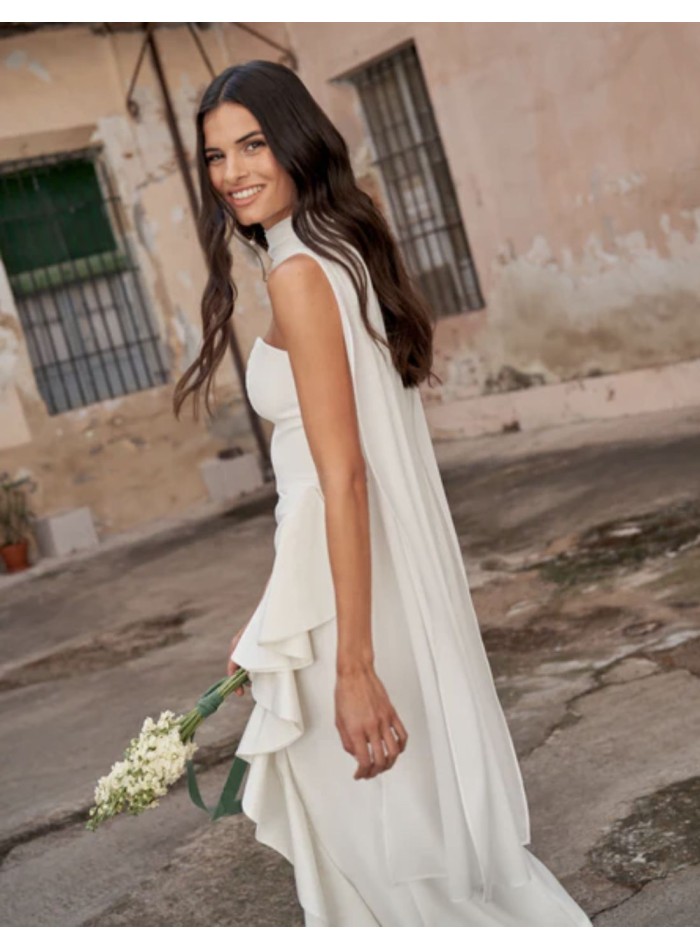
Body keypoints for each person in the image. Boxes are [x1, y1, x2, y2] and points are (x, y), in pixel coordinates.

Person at [173, 59, 593, 928]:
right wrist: (269, 619)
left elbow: (343, 476)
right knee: (401, 851)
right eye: (215, 156)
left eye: (252, 144)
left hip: (348, 613)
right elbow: (311, 475)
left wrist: (353, 667)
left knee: (391, 864)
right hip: (337, 587)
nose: (233, 172)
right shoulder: (339, 251)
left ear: (295, 142)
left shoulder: (299, 272)